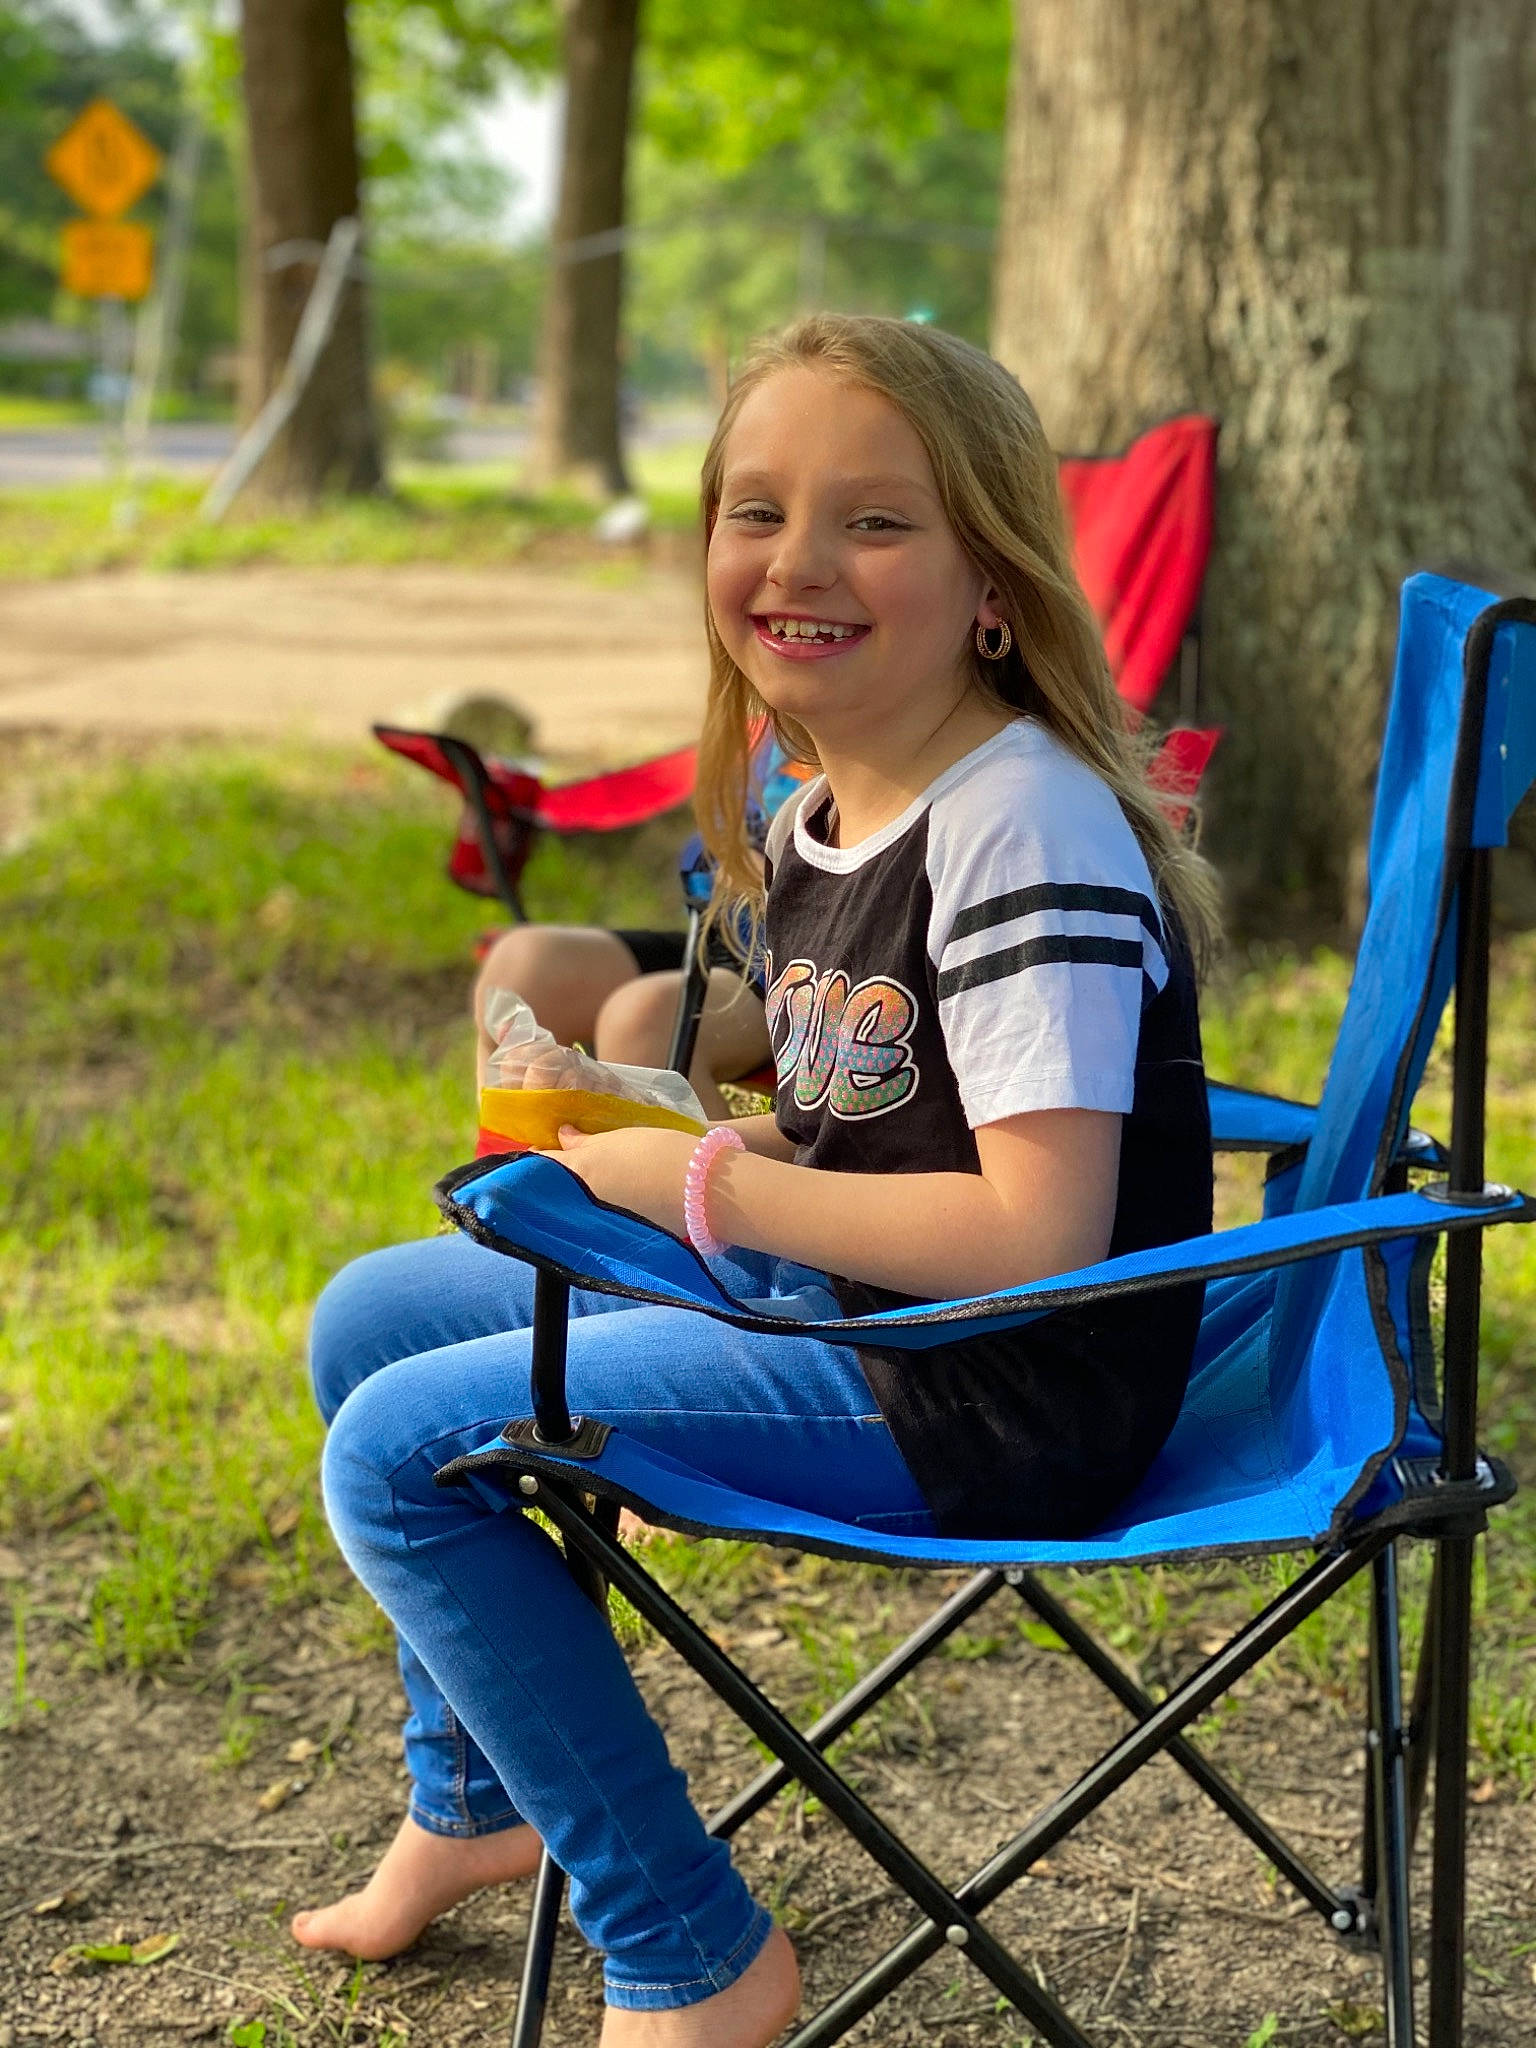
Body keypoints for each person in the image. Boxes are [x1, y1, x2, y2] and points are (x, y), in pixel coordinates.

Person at [296, 313, 1220, 2047]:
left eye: (877, 521)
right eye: (756, 510)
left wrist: (698, 1182)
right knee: (374, 1320)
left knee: (398, 1456)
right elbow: (871, 1123)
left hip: (994, 1383)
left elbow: (1034, 1233)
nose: (800, 563)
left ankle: (691, 1963)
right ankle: (475, 1799)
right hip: (854, 1313)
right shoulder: (823, 809)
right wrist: (650, 1092)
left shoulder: (1024, 828)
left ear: (994, 584)